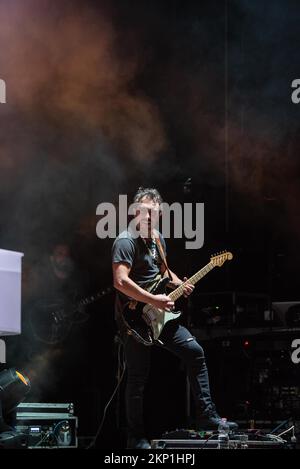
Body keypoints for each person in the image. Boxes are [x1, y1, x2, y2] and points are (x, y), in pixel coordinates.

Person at [112, 187, 238, 449]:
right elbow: (120, 281)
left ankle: (208, 416)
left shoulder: (157, 239)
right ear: (135, 212)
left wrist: (180, 282)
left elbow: (163, 274)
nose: (150, 218)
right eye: (146, 212)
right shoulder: (125, 241)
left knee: (195, 352)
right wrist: (153, 299)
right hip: (134, 318)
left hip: (160, 314)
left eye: (155, 214)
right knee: (137, 378)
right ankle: (134, 438)